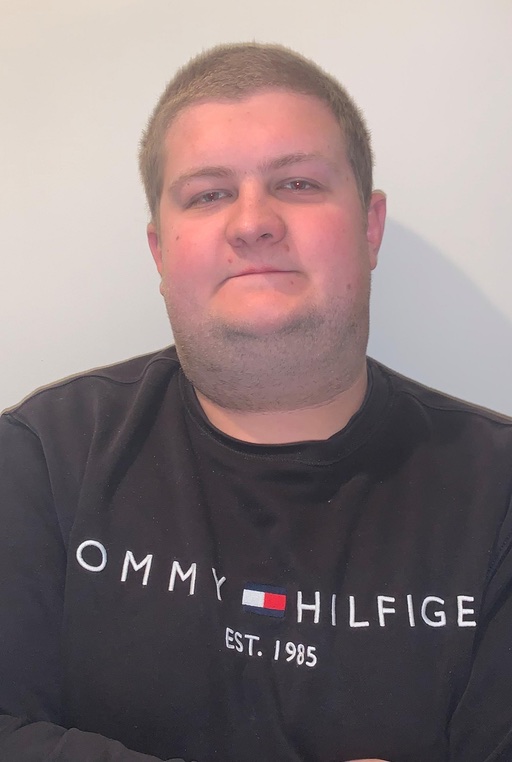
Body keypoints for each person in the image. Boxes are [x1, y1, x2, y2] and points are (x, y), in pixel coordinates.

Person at [0, 42, 511, 762]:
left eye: (297, 183)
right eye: (209, 194)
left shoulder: (498, 494)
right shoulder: (41, 458)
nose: (253, 221)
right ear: (159, 251)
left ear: (370, 227)